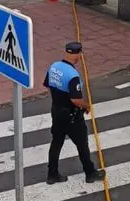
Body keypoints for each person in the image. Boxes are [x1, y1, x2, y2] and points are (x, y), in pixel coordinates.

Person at [44, 41, 106, 185]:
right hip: (71, 115)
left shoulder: (54, 67)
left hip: (56, 111)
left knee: (56, 142)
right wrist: (86, 106)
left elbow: (48, 85)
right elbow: (75, 99)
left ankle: (52, 174)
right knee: (82, 144)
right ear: (78, 55)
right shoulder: (72, 75)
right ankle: (90, 173)